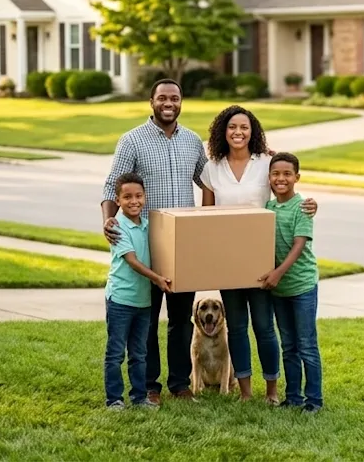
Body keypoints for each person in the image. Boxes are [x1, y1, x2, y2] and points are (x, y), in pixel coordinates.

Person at [101, 80, 317, 405]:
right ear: (151, 101)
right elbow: (110, 186)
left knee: (179, 321)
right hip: (146, 239)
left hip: (184, 246)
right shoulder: (131, 140)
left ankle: (179, 383)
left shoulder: (191, 141)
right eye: (162, 98)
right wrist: (109, 219)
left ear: (181, 101)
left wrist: (269, 158)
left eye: (174, 97)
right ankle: (149, 387)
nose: (168, 103)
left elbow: (219, 179)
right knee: (147, 319)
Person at [200, 105, 280, 404]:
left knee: (263, 327)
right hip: (227, 260)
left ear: (253, 131)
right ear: (223, 131)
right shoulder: (212, 167)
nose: (238, 132)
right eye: (232, 127)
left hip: (260, 258)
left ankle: (271, 391)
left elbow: (285, 192)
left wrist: (308, 205)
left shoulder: (266, 162)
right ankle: (245, 392)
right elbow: (205, 216)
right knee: (236, 327)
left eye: (244, 127)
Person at [260, 152, 323, 413]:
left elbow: (298, 246)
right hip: (279, 291)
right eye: (276, 174)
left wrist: (277, 273)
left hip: (302, 286)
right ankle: (293, 397)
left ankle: (314, 400)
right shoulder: (269, 209)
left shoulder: (302, 207)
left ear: (297, 177)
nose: (281, 178)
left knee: (307, 345)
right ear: (269, 178)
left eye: (287, 174)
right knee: (288, 346)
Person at [104, 172, 172, 410]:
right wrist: (158, 279)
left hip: (143, 302)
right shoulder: (117, 227)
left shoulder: (146, 225)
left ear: (145, 197)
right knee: (115, 354)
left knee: (139, 354)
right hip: (121, 300)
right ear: (118, 199)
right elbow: (133, 261)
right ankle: (114, 399)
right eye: (128, 197)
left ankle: (139, 397)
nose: (134, 201)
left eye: (139, 196)